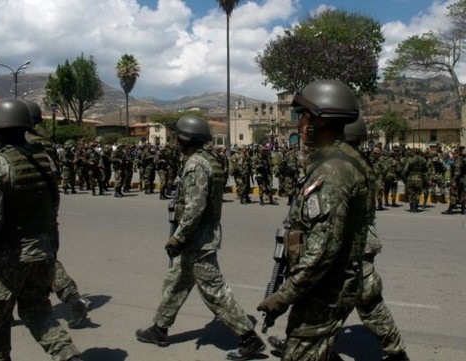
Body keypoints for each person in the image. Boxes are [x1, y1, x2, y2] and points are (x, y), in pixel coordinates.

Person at [257, 80, 370, 361]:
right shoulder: (342, 159)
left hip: (324, 289)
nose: (299, 123)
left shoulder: (333, 171)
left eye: (304, 116)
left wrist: (283, 296)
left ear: (319, 120)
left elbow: (322, 250)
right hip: (327, 284)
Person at [135, 115, 265, 360]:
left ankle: (249, 338)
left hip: (197, 240)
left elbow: (195, 206)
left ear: (186, 139)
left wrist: (179, 237)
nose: (175, 141)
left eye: (178, 137)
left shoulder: (196, 164)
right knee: (175, 283)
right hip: (197, 237)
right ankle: (159, 329)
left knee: (213, 290)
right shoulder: (209, 160)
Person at [0, 98, 83, 361]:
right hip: (43, 251)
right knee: (38, 312)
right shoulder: (44, 161)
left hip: (9, 258)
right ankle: (69, 356)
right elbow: (53, 206)